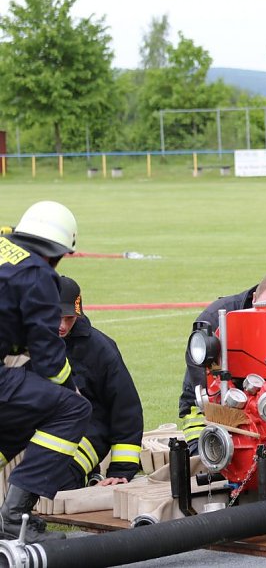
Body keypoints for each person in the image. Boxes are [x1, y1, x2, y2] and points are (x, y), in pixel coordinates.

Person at [1, 201, 91, 542]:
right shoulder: (37, 275)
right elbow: (49, 357)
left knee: (28, 405)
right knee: (72, 409)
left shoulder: (3, 243)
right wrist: (70, 388)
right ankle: (14, 520)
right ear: (56, 252)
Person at [179, 273, 266, 454]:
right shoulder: (216, 316)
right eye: (262, 307)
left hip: (265, 402)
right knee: (207, 457)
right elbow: (198, 367)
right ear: (254, 298)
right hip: (210, 398)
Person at [53, 276, 144, 490]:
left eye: (69, 318)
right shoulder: (23, 341)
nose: (62, 326)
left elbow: (126, 407)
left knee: (55, 479)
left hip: (89, 428)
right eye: (56, 317)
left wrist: (121, 469)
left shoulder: (100, 349)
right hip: (43, 426)